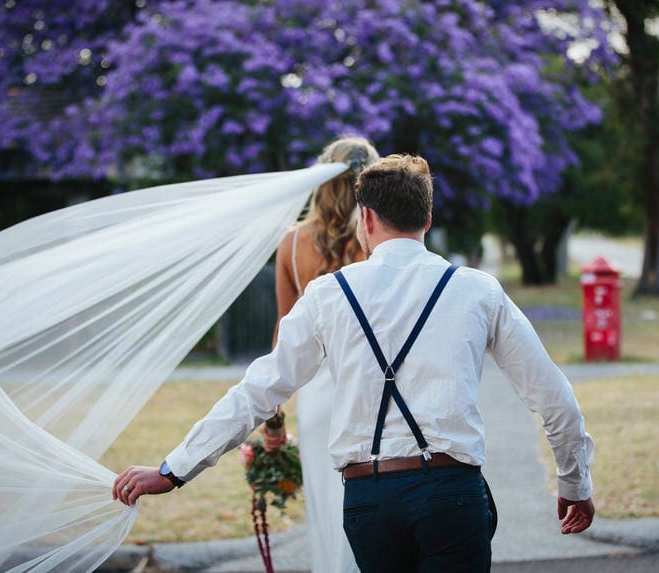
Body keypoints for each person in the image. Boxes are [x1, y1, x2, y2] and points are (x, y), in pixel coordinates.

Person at [114, 154, 595, 573]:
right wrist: (574, 482)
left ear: (365, 219)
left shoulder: (328, 295)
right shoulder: (477, 289)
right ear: (427, 219)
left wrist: (174, 470)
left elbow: (258, 392)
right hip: (452, 492)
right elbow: (554, 398)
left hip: (370, 501)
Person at [263, 135, 379, 573]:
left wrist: (273, 418)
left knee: (329, 518)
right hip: (371, 392)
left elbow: (283, 337)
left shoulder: (292, 244)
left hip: (316, 399)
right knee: (372, 509)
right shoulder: (374, 240)